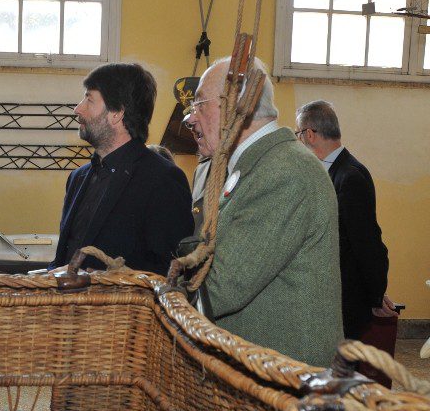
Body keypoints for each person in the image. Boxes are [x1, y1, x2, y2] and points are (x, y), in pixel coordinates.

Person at [185, 57, 342, 366]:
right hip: (262, 373)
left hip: (284, 382)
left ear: (238, 104)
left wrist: (159, 297)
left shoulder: (284, 171)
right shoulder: (256, 165)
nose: (190, 119)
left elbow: (220, 289)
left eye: (200, 104)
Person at [50, 62, 193, 275]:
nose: (78, 109)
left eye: (89, 99)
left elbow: (170, 272)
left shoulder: (162, 179)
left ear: (116, 113)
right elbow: (63, 259)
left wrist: (97, 279)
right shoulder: (78, 178)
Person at [295, 100, 395, 339]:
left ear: (309, 134)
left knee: (340, 369)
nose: (299, 140)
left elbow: (367, 241)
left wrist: (375, 293)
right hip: (331, 294)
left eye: (298, 134)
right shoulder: (331, 171)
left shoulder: (349, 177)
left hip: (346, 299)